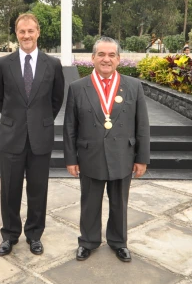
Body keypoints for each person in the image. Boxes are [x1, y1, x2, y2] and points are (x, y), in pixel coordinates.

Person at [63, 37, 150, 263]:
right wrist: (71, 158)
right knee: (90, 202)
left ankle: (119, 242)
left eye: (111, 55)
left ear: (119, 59)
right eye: (101, 54)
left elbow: (142, 125)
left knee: (119, 202)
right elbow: (70, 127)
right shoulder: (77, 88)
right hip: (90, 154)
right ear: (92, 58)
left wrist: (142, 158)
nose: (106, 59)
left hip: (123, 154)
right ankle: (88, 241)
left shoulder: (133, 86)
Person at [0, 13, 65, 257]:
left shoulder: (52, 65)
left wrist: (39, 122)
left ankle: (34, 235)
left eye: (30, 31)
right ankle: (9, 235)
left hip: (40, 138)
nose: (26, 36)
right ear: (16, 33)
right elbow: (0, 99)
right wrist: (17, 121)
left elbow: (57, 100)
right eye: (22, 31)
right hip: (12, 136)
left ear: (38, 32)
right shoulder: (3, 63)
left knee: (38, 190)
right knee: (9, 189)